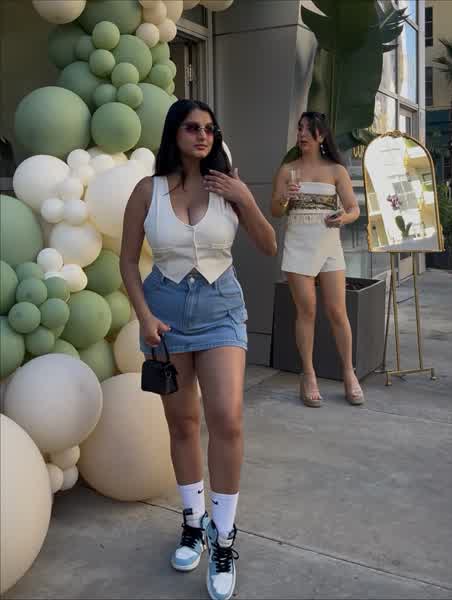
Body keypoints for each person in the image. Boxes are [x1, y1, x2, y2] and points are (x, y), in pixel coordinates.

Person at [120, 99, 277, 600]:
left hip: (220, 309)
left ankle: (223, 537)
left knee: (227, 418)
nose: (203, 135)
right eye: (192, 127)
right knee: (183, 423)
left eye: (210, 128)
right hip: (164, 313)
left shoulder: (227, 187)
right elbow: (127, 261)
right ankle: (193, 522)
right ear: (174, 133)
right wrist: (144, 315)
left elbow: (269, 245)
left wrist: (244, 197)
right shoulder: (147, 191)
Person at [271, 111, 364, 408]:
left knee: (337, 311)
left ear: (321, 135)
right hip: (298, 244)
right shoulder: (287, 170)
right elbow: (275, 210)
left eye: (308, 129)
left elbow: (353, 209)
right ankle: (308, 374)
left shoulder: (337, 170)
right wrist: (285, 196)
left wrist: (342, 218)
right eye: (300, 128)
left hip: (329, 244)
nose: (302, 134)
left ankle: (348, 373)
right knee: (307, 311)